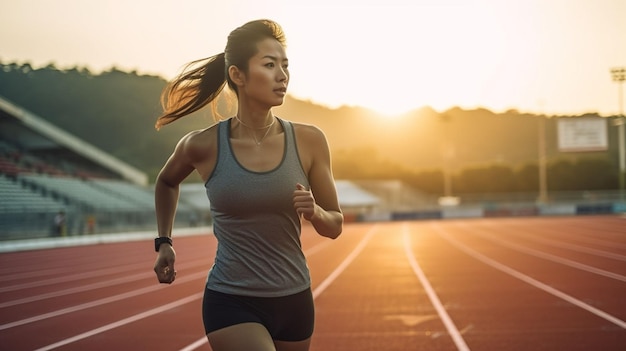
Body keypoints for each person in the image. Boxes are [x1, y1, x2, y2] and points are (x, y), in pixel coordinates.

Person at [152, 19, 344, 351]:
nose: (282, 75)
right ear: (237, 75)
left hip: (295, 299)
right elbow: (166, 181)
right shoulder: (203, 145)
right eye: (270, 65)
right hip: (231, 300)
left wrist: (315, 212)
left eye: (285, 65)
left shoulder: (310, 141)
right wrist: (164, 241)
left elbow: (335, 226)